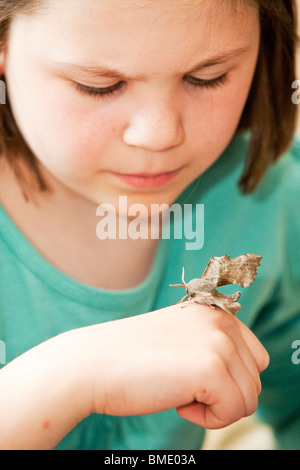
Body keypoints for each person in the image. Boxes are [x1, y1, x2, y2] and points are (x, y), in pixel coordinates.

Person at [0, 0, 298, 451]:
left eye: (208, 77)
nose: (159, 134)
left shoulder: (266, 199)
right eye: (98, 86)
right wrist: (75, 375)